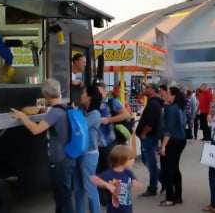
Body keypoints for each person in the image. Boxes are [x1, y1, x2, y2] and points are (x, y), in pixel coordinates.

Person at [10, 78, 76, 213]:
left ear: (46, 95)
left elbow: (36, 130)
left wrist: (23, 116)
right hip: (69, 156)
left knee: (63, 197)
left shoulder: (54, 113)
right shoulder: (66, 107)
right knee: (62, 195)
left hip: (59, 160)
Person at [96, 82, 130, 205]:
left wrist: (109, 120)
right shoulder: (91, 103)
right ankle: (101, 199)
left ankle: (113, 198)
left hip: (108, 142)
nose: (98, 94)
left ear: (105, 91)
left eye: (100, 91)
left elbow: (126, 114)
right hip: (94, 144)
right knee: (98, 171)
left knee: (110, 170)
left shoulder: (112, 102)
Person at [74, 85, 103, 213]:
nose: (81, 95)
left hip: (89, 155)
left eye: (83, 93)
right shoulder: (83, 111)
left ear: (89, 97)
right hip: (79, 153)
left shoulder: (95, 114)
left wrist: (74, 113)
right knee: (78, 188)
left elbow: (81, 126)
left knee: (90, 188)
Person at [91, 145, 143, 213]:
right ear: (123, 160)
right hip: (113, 210)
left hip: (127, 209)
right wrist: (107, 185)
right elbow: (93, 179)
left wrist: (136, 183)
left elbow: (135, 181)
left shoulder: (128, 172)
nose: (133, 160)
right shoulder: (109, 174)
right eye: (131, 158)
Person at [159, 86, 187, 206]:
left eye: (168, 94)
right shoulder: (179, 108)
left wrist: (163, 146)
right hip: (181, 139)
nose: (165, 95)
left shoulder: (170, 109)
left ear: (173, 95)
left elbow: (168, 130)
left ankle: (169, 197)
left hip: (173, 140)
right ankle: (178, 195)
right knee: (175, 168)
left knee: (168, 169)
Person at [135, 82, 163, 197]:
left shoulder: (153, 104)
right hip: (151, 137)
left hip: (149, 137)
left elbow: (150, 123)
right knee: (148, 161)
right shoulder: (155, 103)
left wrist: (143, 133)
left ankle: (153, 188)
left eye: (146, 88)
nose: (144, 89)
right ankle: (164, 181)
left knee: (150, 162)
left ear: (152, 90)